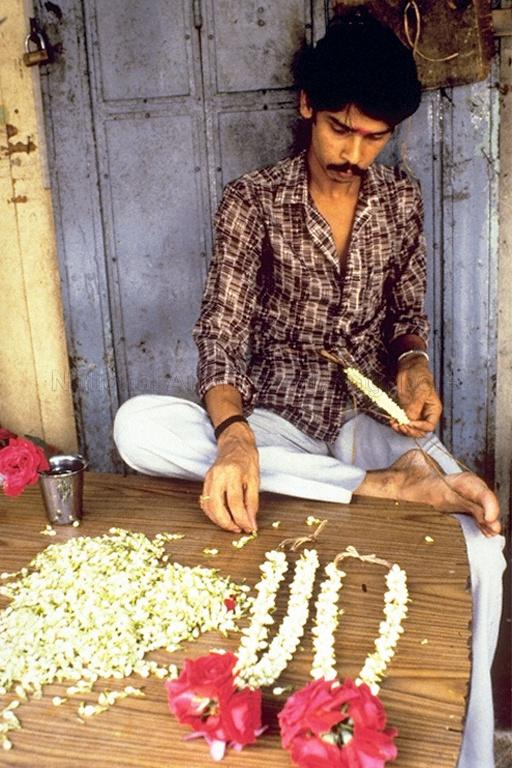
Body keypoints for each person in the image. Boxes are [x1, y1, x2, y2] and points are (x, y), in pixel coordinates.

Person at [113, 8, 505, 767]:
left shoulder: (401, 202)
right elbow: (221, 338)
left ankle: (473, 757)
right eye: (339, 130)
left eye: (375, 137)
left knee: (483, 548)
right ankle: (383, 488)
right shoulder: (251, 202)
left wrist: (414, 364)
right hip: (277, 421)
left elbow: (405, 319)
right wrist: (233, 438)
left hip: (366, 417)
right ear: (306, 108)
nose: (355, 153)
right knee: (137, 425)